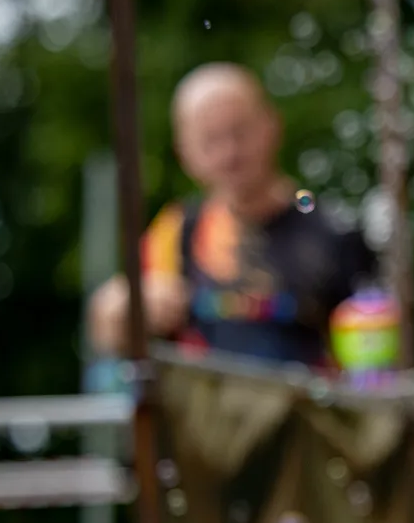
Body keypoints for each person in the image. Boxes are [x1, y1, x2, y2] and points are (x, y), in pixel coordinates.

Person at [87, 62, 374, 368]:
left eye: (240, 131)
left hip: (308, 396)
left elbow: (375, 343)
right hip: (204, 398)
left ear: (271, 125)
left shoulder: (331, 229)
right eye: (210, 140)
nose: (229, 153)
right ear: (184, 152)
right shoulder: (177, 230)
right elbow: (105, 330)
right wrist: (125, 306)